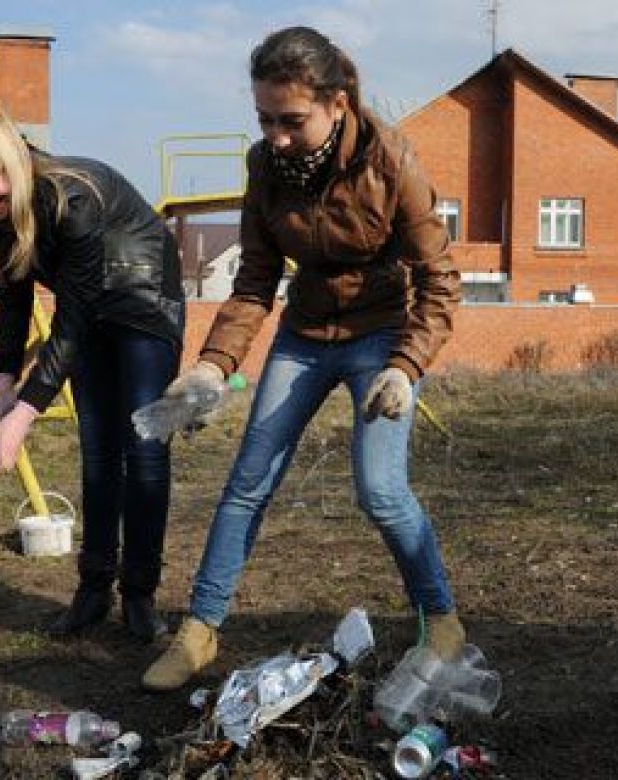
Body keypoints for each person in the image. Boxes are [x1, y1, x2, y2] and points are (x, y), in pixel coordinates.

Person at [142, 26, 465, 691]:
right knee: (247, 481)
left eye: (291, 121)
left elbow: (441, 281)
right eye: (265, 120)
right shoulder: (265, 166)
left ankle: (443, 620)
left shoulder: (390, 162)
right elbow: (256, 278)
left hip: (381, 336)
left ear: (337, 103)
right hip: (305, 333)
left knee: (380, 490)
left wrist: (405, 367)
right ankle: (199, 632)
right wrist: (213, 364)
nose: (277, 136)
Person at [0, 105, 184, 643]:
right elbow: (14, 299)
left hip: (144, 303)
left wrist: (24, 415)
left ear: (14, 161)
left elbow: (69, 320)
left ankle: (139, 596)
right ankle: (93, 592)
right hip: (89, 312)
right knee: (97, 452)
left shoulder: (71, 197)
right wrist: (5, 386)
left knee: (143, 450)